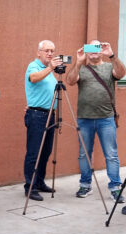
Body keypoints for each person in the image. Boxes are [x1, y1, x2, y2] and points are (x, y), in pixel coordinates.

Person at [66, 40, 126, 202]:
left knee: (111, 154)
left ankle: (115, 188)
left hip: (106, 118)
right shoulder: (82, 68)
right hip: (84, 118)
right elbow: (70, 80)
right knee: (84, 154)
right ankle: (85, 185)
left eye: (97, 47)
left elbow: (121, 74)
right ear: (86, 50)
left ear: (101, 50)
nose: (94, 51)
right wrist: (78, 62)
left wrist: (112, 55)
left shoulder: (108, 66)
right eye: (90, 48)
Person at [23, 40, 63, 202]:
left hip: (49, 115)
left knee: (45, 152)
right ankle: (30, 187)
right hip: (37, 115)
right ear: (38, 52)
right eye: (46, 50)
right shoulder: (33, 66)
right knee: (34, 152)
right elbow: (33, 78)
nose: (50, 53)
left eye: (52, 50)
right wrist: (50, 68)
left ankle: (39, 182)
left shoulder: (50, 71)